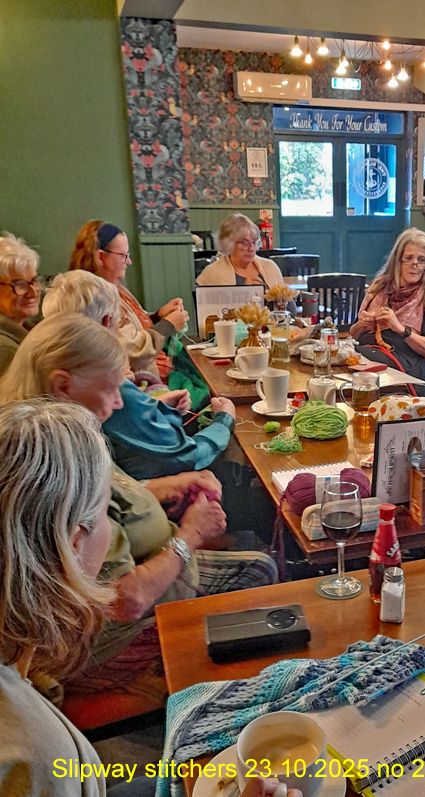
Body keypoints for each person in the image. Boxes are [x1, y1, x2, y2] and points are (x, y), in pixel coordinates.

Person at [0, 398, 295, 797]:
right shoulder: (33, 754)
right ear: (72, 546)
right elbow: (128, 601)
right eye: (107, 513)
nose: (114, 525)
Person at [0, 315, 277, 670]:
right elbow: (124, 600)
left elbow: (110, 498)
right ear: (62, 385)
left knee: (258, 562)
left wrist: (161, 487)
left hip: (153, 562)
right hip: (116, 631)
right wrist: (189, 536)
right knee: (262, 572)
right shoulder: (58, 465)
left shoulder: (42, 434)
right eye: (112, 390)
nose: (118, 404)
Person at [42, 273, 236, 479]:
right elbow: (186, 456)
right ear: (107, 322)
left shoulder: (47, 360)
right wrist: (224, 419)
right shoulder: (107, 383)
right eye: (121, 321)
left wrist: (157, 405)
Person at [70, 221, 190, 380]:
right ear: (101, 256)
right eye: (123, 256)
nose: (129, 262)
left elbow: (130, 327)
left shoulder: (114, 287)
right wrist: (167, 325)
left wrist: (158, 316)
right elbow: (131, 353)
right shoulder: (94, 300)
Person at [349, 228, 425, 384]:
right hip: (368, 350)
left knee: (350, 360)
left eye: (421, 260)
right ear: (397, 261)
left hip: (405, 361)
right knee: (337, 358)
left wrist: (401, 329)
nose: (414, 264)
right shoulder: (379, 286)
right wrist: (362, 325)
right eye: (408, 258)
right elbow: (353, 333)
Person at [196, 213, 284, 288]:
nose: (251, 248)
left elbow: (290, 306)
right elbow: (209, 307)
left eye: (254, 242)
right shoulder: (213, 273)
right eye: (245, 243)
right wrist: (242, 292)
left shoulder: (270, 267)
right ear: (229, 244)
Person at [0, 232, 43, 375]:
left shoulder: (29, 332)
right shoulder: (6, 351)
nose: (32, 293)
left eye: (34, 281)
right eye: (19, 285)